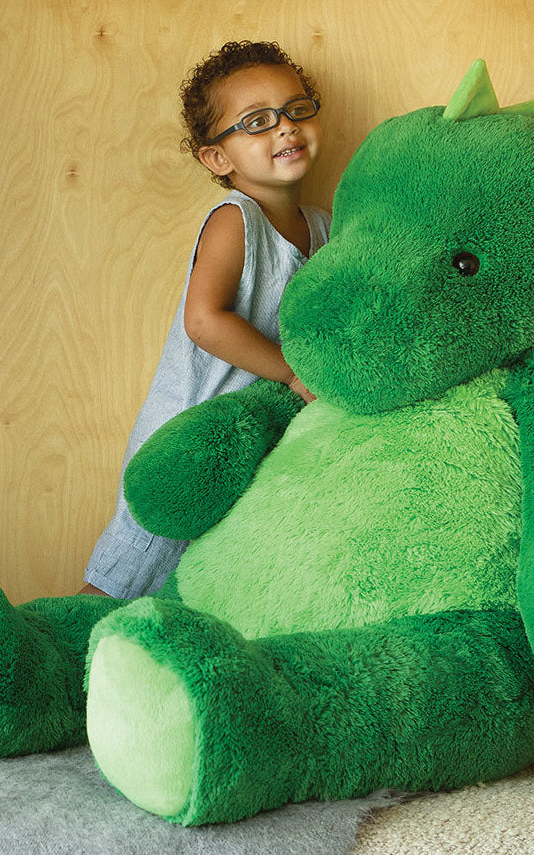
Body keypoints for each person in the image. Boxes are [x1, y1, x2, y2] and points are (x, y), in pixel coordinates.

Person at [80, 41, 331, 598]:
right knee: (138, 564)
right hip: (187, 433)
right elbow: (205, 322)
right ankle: (63, 644)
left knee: (202, 576)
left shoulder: (320, 227)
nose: (285, 129)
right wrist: (291, 373)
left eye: (297, 109)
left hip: (246, 439)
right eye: (257, 122)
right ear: (218, 159)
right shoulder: (235, 219)